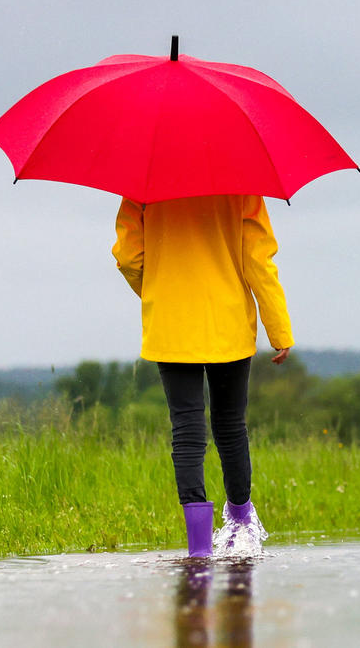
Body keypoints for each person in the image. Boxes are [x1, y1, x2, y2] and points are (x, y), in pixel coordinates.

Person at [112, 193, 292, 557]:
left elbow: (128, 257)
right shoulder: (242, 182)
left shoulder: (143, 182)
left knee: (187, 428)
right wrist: (279, 328)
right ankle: (242, 526)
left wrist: (158, 292)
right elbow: (258, 258)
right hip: (227, 320)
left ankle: (198, 549)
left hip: (171, 323)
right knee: (229, 424)